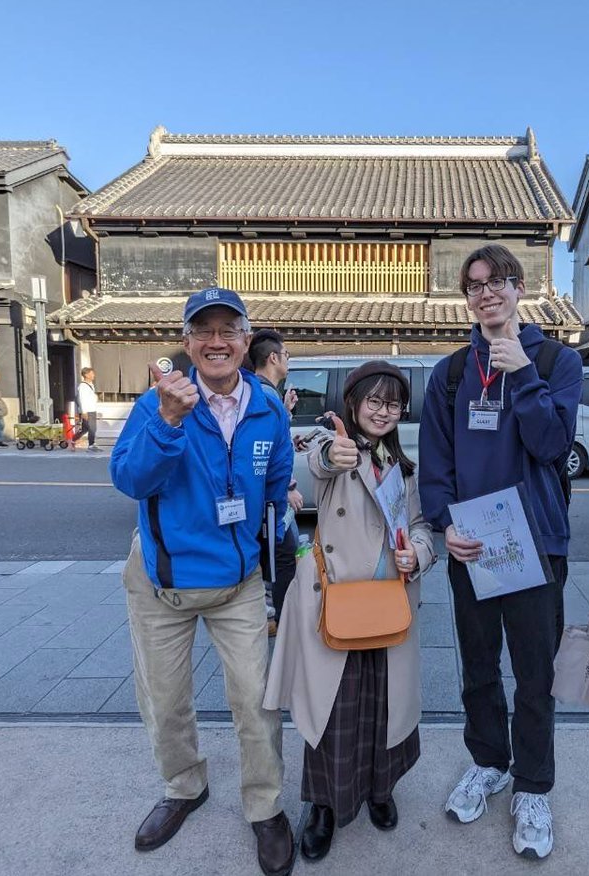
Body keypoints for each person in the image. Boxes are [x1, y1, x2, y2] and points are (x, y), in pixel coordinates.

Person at [109, 288, 296, 876]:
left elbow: (275, 487)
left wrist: (271, 559)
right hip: (162, 580)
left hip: (238, 581)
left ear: (246, 340)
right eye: (204, 331)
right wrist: (169, 421)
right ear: (187, 342)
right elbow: (130, 480)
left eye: (229, 330)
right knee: (165, 701)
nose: (217, 342)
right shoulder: (158, 403)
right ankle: (184, 786)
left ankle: (265, 806)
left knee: (257, 701)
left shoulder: (269, 407)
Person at [419, 244, 582, 861]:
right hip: (473, 544)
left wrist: (523, 374)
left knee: (536, 673)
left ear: (520, 288)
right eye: (474, 285)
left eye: (498, 281)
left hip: (535, 543)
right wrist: (444, 523)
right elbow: (436, 461)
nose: (486, 292)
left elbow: (552, 445)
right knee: (479, 665)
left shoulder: (558, 361)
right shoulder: (451, 373)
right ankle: (488, 761)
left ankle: (533, 786)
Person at [265, 360, 434, 861]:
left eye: (393, 404)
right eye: (374, 401)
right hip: (337, 603)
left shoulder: (404, 469)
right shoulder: (336, 447)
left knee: (385, 705)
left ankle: (381, 790)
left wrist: (418, 553)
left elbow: (422, 526)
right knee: (334, 711)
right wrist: (333, 452)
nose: (383, 412)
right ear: (354, 405)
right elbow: (321, 458)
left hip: (390, 603)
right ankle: (323, 806)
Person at [249, 329, 302, 636]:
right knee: (284, 559)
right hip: (272, 503)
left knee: (278, 556)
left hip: (266, 501)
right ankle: (284, 622)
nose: (287, 361)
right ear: (273, 358)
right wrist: (288, 489)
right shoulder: (266, 398)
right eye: (286, 355)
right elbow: (265, 455)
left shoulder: (259, 393)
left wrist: (286, 412)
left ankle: (276, 616)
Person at [76, 367, 101, 451]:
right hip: (87, 411)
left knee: (85, 429)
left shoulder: (91, 385)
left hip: (92, 409)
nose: (93, 375)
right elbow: (82, 399)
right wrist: (84, 412)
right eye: (91, 373)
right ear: (86, 375)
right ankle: (91, 445)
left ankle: (73, 439)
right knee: (92, 428)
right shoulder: (83, 386)